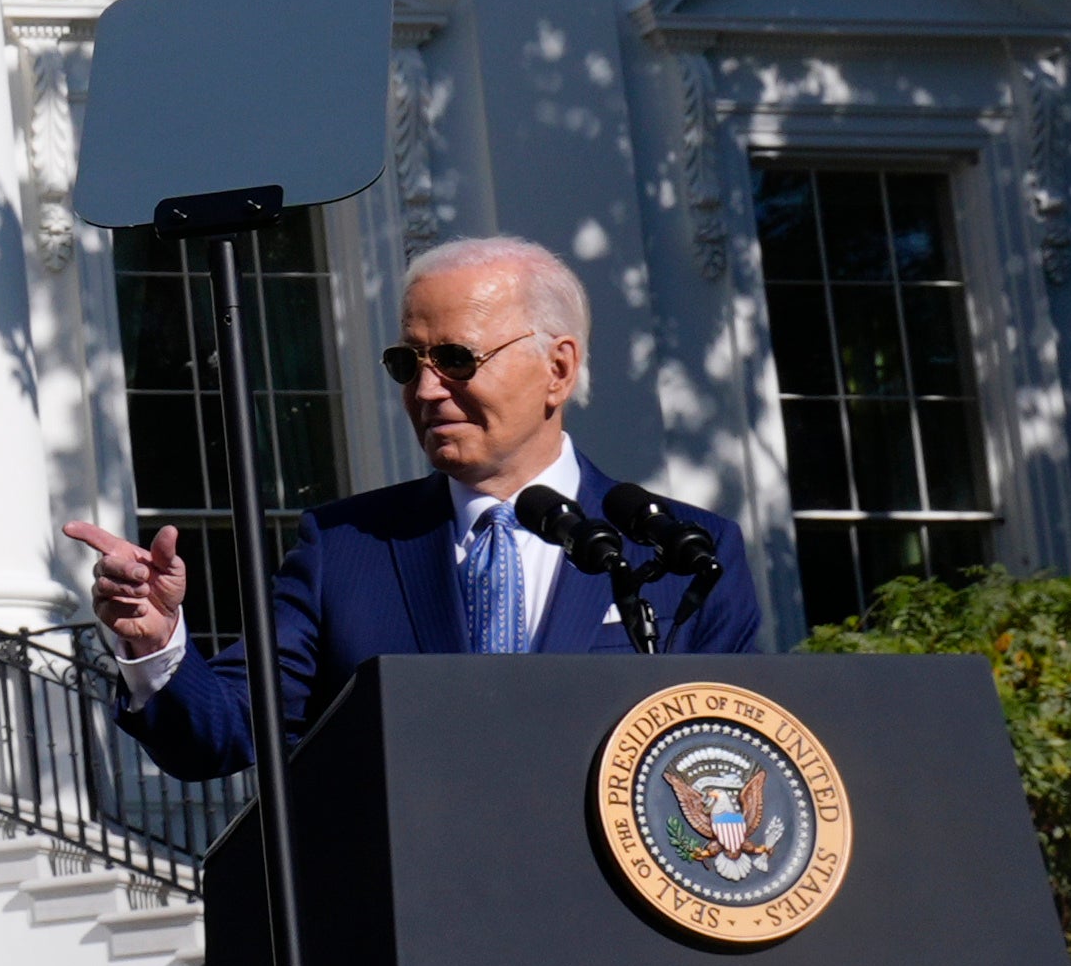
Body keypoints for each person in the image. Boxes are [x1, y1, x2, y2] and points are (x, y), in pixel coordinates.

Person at [69, 231, 767, 783]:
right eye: (409, 363)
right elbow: (220, 733)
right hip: (416, 933)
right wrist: (157, 643)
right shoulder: (346, 548)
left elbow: (730, 760)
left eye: (458, 358)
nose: (427, 390)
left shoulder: (679, 550)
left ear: (558, 367)